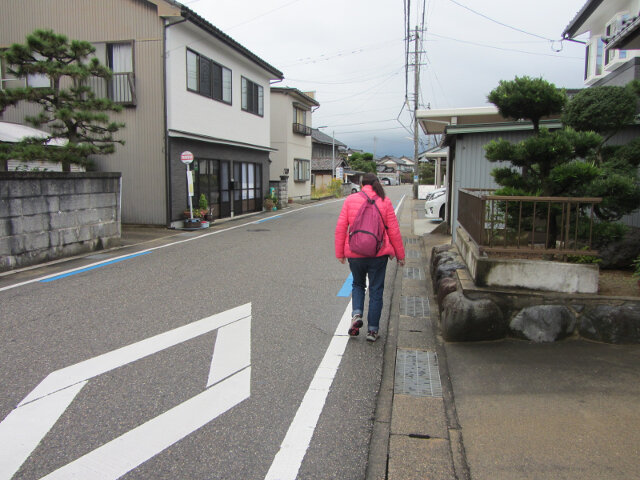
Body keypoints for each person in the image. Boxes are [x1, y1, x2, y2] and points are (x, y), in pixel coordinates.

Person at [334, 173, 405, 342]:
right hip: (378, 254)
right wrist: (400, 255)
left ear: (361, 184)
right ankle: (372, 331)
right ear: (377, 183)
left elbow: (341, 227)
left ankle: (357, 314)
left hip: (355, 253)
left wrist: (340, 253)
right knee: (376, 291)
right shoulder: (384, 201)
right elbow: (393, 231)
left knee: (358, 284)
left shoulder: (350, 200)